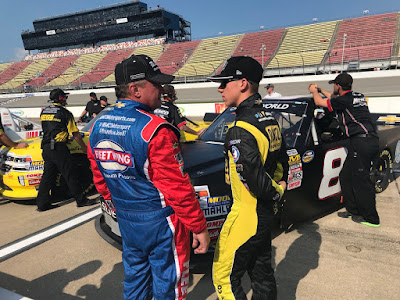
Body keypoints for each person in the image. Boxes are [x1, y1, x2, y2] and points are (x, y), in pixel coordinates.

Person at [87, 54, 210, 300]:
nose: (162, 90)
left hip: (127, 220)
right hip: (161, 223)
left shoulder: (98, 124)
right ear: (135, 89)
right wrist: (198, 227)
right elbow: (177, 188)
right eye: (156, 84)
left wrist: (122, 202)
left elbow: (100, 177)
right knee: (170, 287)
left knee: (135, 280)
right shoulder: (155, 129)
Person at [208, 56, 288, 300]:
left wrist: (277, 191)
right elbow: (281, 167)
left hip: (247, 213)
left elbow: (257, 183)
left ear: (243, 83)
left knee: (223, 276)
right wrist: (278, 191)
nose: (220, 89)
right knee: (261, 271)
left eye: (224, 83)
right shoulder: (270, 119)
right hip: (264, 213)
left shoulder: (240, 128)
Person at [308, 73, 380, 227]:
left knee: (362, 181)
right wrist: (321, 89)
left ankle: (371, 218)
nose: (333, 87)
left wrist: (314, 91)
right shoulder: (356, 96)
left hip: (362, 141)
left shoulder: (344, 100)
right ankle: (352, 209)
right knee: (346, 175)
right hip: (365, 139)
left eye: (334, 84)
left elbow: (320, 102)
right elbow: (332, 97)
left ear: (339, 86)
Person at [36, 88, 97, 212]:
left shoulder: (45, 111)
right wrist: (84, 148)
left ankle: (42, 204)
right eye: (64, 97)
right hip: (58, 148)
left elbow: (52, 128)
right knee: (70, 173)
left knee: (47, 176)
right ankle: (81, 200)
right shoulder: (65, 113)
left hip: (46, 147)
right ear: (60, 98)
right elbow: (76, 134)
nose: (65, 99)